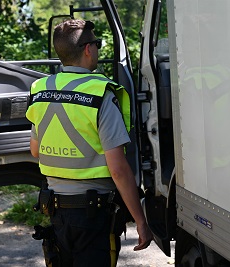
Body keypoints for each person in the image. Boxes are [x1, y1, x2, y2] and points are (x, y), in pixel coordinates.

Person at [26, 19, 153, 267]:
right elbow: (117, 169)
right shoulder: (101, 93)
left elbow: (35, 150)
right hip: (93, 214)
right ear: (87, 49)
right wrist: (140, 220)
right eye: (96, 43)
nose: (97, 48)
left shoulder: (41, 89)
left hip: (56, 212)